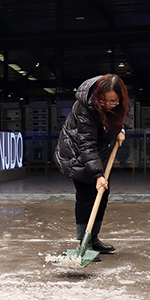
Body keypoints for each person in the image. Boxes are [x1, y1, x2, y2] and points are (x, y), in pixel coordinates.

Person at [54, 74, 128, 261]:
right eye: (103, 101)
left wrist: (121, 130)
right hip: (77, 154)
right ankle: (83, 243)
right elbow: (86, 144)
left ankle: (93, 239)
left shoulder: (117, 105)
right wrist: (97, 175)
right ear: (96, 96)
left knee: (101, 196)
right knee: (87, 196)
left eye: (113, 101)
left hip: (97, 154)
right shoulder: (84, 107)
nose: (108, 105)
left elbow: (117, 119)